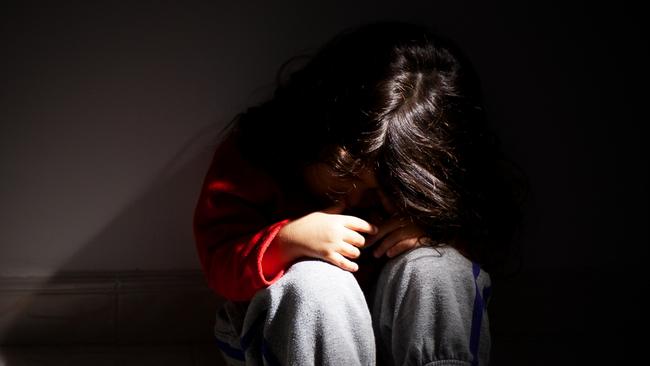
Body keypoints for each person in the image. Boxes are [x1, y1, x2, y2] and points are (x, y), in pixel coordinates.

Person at [193, 20, 523, 366]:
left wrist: (438, 233)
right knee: (314, 283)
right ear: (314, 132)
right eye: (342, 180)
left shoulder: (429, 189)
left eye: (378, 195)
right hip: (289, 339)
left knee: (438, 268)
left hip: (395, 335)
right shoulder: (256, 154)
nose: (351, 202)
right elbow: (219, 261)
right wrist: (286, 242)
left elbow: (486, 240)